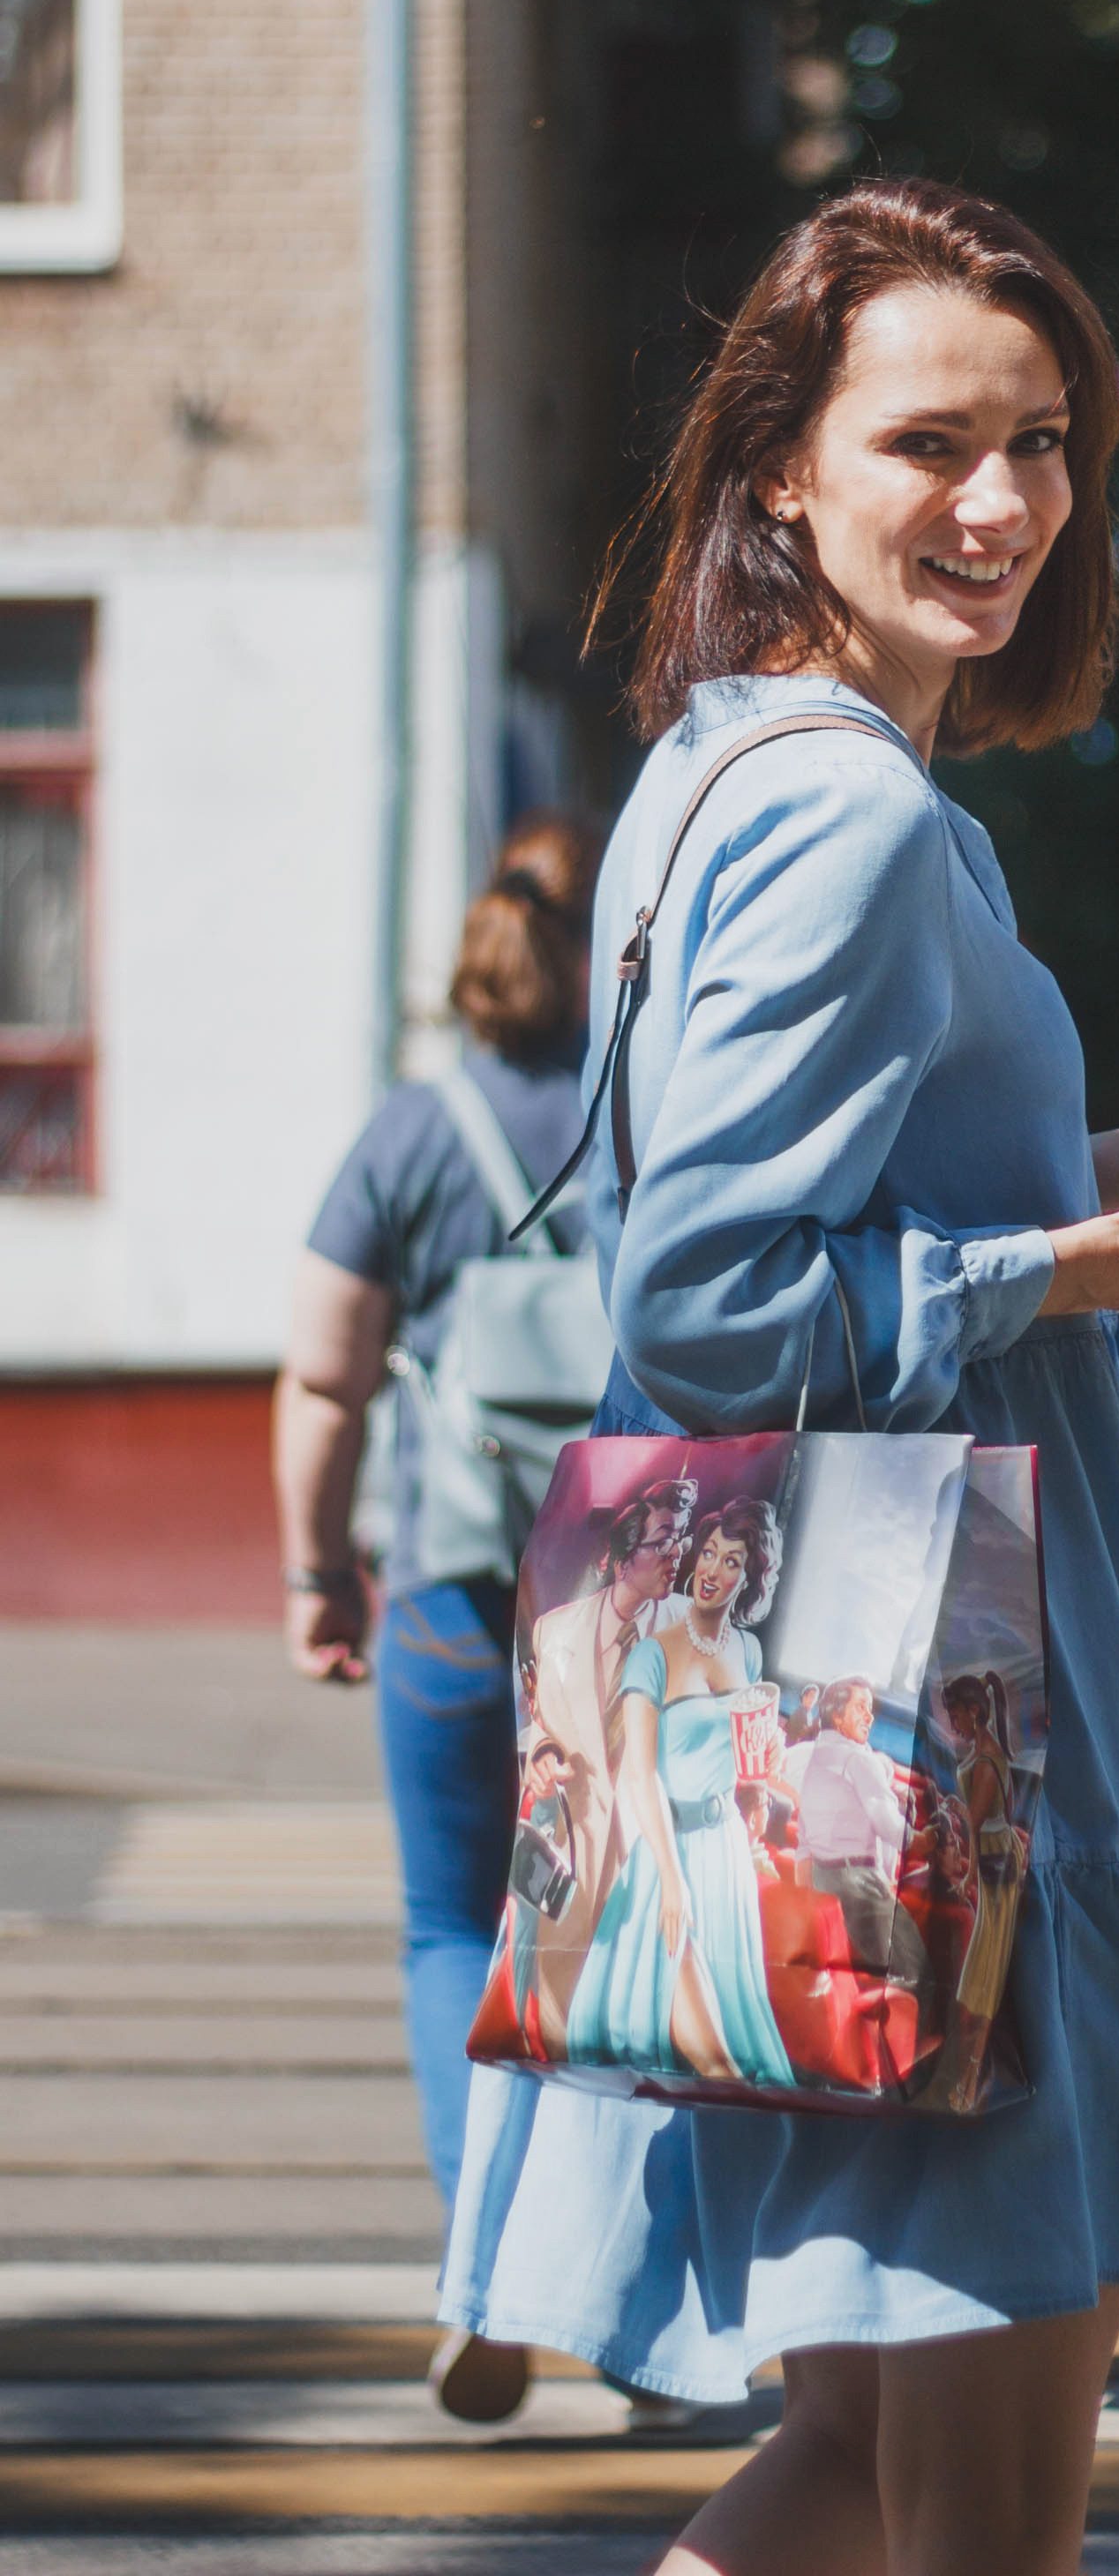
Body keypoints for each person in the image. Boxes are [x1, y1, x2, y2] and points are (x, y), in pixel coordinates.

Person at [438, 178, 1119, 2575]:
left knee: (863, 2473)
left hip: (857, 1742)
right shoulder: (855, 815)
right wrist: (1075, 1264)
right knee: (979, 2531)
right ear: (776, 468)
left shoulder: (716, 772)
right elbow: (715, 1304)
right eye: (928, 440)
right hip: (958, 1751)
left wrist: (1081, 1172)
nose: (1003, 504)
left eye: (1045, 441)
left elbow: (794, 1197)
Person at [273, 812, 601, 2423]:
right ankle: (642, 2303)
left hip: (460, 1588)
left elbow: (327, 1381)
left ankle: (487, 2273)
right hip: (636, 1600)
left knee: (452, 1930)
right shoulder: (660, 1121)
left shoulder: (411, 1136)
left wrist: (315, 1569)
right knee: (634, 1947)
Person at [567, 1498, 796, 2088]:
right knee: (716, 2063)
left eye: (733, 1561)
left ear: (750, 1578)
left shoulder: (747, 1650)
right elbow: (641, 1775)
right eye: (711, 1552)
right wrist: (671, 1882)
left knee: (743, 2063)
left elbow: (745, 1762)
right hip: (667, 1860)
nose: (713, 1569)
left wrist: (760, 1780)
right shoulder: (652, 1655)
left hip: (724, 1860)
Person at [523, 1479, 695, 2035]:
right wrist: (544, 1754)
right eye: (664, 1541)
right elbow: (540, 1724)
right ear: (622, 1559)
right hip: (573, 1851)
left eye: (682, 1540)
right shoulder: (554, 1630)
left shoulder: (693, 1627)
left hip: (658, 1860)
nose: (678, 1554)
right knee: (555, 2028)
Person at [794, 1675, 931, 1988]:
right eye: (861, 1707)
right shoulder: (857, 1759)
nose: (870, 1716)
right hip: (858, 1882)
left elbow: (804, 1839)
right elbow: (888, 1826)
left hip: (824, 1878)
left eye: (870, 1709)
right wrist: (926, 1840)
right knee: (916, 1973)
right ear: (837, 1714)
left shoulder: (818, 1759)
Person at [937, 1669, 1025, 2112]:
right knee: (979, 1973)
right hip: (988, 1863)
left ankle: (972, 2079)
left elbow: (975, 1821)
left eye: (956, 1714)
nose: (952, 1722)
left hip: (997, 1863)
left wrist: (953, 1809)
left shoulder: (988, 1760)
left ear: (975, 1711)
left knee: (987, 1976)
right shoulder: (978, 1754)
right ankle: (967, 2076)